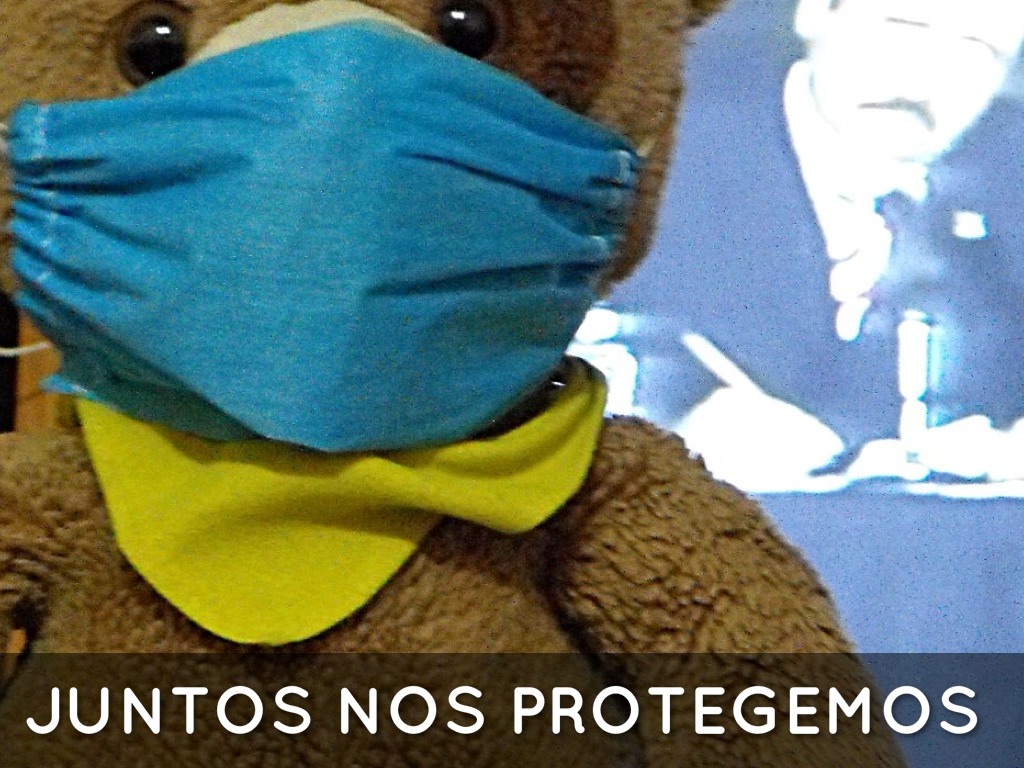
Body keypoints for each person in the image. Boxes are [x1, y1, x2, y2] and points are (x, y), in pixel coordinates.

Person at [607, 0, 1024, 492]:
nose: (926, 75)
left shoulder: (1005, 177)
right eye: (902, 25)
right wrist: (674, 417)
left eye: (978, 48)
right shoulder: (654, 155)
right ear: (814, 13)